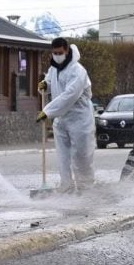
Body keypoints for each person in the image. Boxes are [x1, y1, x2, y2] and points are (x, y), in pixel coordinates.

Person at [36, 38, 95, 193]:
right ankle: (66, 187)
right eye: (54, 53)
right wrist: (45, 84)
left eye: (60, 53)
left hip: (79, 118)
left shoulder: (78, 71)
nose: (57, 56)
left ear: (67, 51)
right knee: (63, 157)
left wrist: (48, 111)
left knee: (81, 155)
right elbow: (50, 82)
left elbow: (70, 95)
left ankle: (85, 188)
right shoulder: (54, 68)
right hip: (61, 119)